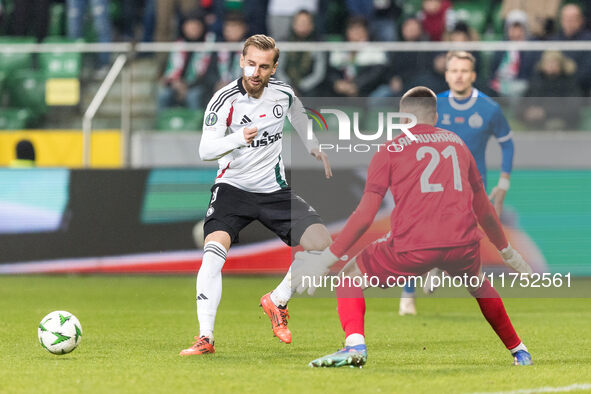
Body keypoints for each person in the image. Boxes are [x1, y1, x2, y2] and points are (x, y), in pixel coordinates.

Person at [292, 86, 533, 368]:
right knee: (479, 285)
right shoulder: (457, 143)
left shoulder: (390, 149)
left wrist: (327, 258)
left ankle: (354, 346)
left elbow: (366, 213)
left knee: (350, 277)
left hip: (412, 245)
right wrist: (507, 252)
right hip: (462, 244)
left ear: (402, 118)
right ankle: (520, 351)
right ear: (435, 115)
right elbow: (484, 209)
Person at [179, 34, 333, 356]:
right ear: (241, 61)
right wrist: (236, 139)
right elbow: (205, 149)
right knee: (212, 254)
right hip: (232, 189)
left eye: (263, 66)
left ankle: (276, 301)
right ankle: (205, 337)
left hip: (273, 189)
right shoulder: (224, 100)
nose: (255, 72)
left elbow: (299, 116)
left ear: (273, 68)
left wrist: (313, 145)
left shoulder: (283, 93)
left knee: (322, 246)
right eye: (251, 64)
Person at [399, 51, 515, 315]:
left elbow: (507, 144)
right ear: (446, 74)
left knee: (457, 237)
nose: (459, 76)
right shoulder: (434, 105)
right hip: (433, 185)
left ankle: (438, 265)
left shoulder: (489, 108)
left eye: (464, 71)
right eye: (454, 71)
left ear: (473, 75)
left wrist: (504, 182)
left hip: (472, 187)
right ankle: (407, 296)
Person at [156, 10, 215, 111]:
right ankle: (162, 125)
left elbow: (209, 74)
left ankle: (198, 126)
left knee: (193, 96)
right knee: (163, 94)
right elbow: (167, 70)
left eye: (196, 25)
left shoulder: (211, 46)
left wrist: (187, 86)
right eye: (190, 25)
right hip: (176, 84)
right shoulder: (178, 44)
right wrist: (174, 83)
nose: (193, 29)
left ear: (202, 27)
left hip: (199, 85)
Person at [520, 50, 581, 130]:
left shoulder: (569, 82)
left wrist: (545, 112)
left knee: (553, 125)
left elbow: (572, 109)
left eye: (554, 62)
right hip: (534, 122)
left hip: (561, 122)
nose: (550, 65)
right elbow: (522, 102)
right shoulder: (536, 80)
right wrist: (527, 112)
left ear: (561, 64)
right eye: (547, 62)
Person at [281, 9, 327, 97]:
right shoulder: (284, 43)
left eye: (306, 22)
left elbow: (319, 73)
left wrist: (301, 87)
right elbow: (278, 69)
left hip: (309, 89)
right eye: (300, 22)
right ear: (293, 24)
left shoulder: (318, 44)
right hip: (285, 86)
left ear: (312, 25)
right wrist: (288, 86)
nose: (302, 25)